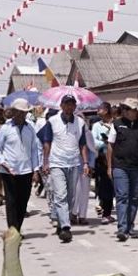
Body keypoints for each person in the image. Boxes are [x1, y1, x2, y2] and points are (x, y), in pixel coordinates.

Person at [38, 94, 90, 243]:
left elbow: (83, 144)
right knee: (60, 194)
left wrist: (85, 163)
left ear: (75, 106)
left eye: (72, 104)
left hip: (74, 163)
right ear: (61, 106)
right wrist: (46, 162)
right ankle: (66, 227)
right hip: (57, 163)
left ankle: (61, 223)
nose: (69, 107)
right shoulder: (52, 121)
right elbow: (46, 142)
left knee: (71, 197)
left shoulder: (80, 122)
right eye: (66, 104)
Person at [0, 98, 41, 232]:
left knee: (23, 202)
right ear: (13, 112)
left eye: (24, 112)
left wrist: (36, 170)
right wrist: (4, 163)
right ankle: (14, 231)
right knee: (11, 202)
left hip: (26, 171)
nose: (21, 115)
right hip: (9, 172)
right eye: (18, 112)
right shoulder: (5, 128)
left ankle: (17, 227)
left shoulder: (30, 128)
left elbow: (34, 150)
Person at [107, 98, 138, 241]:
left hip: (137, 167)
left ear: (136, 111)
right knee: (122, 196)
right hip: (120, 167)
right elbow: (110, 145)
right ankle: (122, 228)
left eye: (128, 109)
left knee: (134, 198)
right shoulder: (117, 124)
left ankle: (130, 227)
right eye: (124, 108)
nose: (125, 111)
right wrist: (109, 166)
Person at [91, 102, 116, 224]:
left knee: (114, 187)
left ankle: (109, 212)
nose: (97, 110)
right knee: (105, 185)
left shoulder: (116, 124)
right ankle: (105, 213)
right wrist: (104, 143)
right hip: (102, 160)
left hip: (116, 159)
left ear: (106, 110)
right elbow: (93, 141)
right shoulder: (96, 126)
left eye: (100, 108)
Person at [71, 119, 98, 225]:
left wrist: (90, 165)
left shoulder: (87, 133)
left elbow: (92, 150)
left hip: (84, 166)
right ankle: (73, 213)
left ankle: (82, 216)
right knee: (74, 191)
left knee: (84, 191)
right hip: (71, 164)